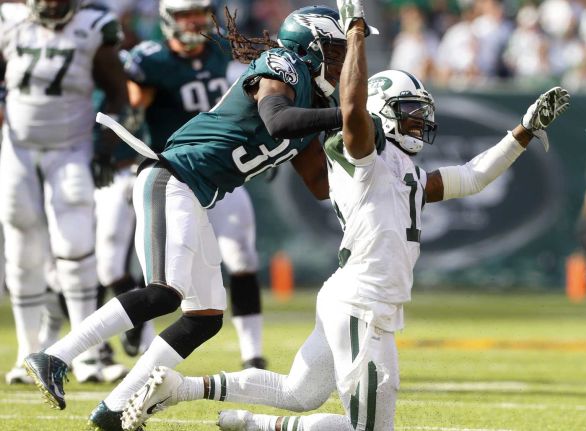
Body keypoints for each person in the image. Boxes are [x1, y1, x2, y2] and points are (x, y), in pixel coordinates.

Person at [118, 2, 570, 430]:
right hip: (360, 303)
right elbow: (353, 111)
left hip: (362, 300)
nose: (419, 123)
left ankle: (182, 388)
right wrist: (355, 37)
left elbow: (472, 178)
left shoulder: (403, 169)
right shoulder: (361, 152)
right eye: (410, 113)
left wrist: (524, 132)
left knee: (298, 392)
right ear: (382, 113)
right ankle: (253, 423)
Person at [24, 5, 347, 430]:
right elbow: (277, 118)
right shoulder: (283, 64)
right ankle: (55, 356)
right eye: (337, 51)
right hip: (171, 176)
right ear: (312, 46)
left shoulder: (317, 102)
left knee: (206, 316)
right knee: (165, 292)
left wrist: (351, 142)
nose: (342, 62)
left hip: (195, 194)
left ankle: (115, 409)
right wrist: (349, 115)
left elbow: (319, 185)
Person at [123, 0, 268, 369]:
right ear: (168, 20)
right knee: (164, 266)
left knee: (242, 256)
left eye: (199, 13)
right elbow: (132, 102)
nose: (194, 21)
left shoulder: (226, 53)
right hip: (176, 174)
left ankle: (252, 353)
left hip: (224, 173)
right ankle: (140, 338)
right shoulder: (151, 59)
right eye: (185, 14)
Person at [0, 0, 129, 385]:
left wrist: (106, 144)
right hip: (18, 148)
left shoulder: (95, 25)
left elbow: (117, 93)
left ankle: (85, 354)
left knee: (75, 245)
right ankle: (27, 351)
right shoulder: (9, 20)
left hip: (71, 148)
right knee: (21, 242)